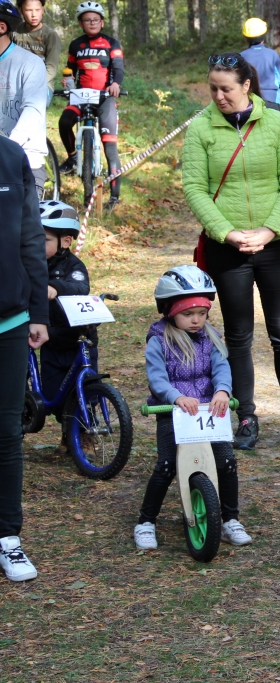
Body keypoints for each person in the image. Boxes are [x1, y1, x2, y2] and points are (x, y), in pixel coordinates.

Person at [182, 53, 280, 453]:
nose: (219, 96)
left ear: (247, 86)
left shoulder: (275, 122)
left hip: (274, 246)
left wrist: (269, 229)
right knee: (238, 337)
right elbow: (194, 188)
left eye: (226, 88)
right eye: (213, 88)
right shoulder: (201, 129)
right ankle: (245, 418)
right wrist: (225, 233)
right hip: (228, 249)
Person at [135, 266, 253, 550]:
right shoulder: (159, 340)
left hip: (208, 413)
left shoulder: (210, 337)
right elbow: (157, 377)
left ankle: (229, 520)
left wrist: (223, 390)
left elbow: (221, 367)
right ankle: (146, 522)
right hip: (173, 413)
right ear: (169, 310)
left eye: (202, 313)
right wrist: (175, 397)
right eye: (188, 314)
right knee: (166, 466)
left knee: (226, 462)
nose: (196, 320)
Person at [0, 134, 49, 582]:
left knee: (6, 433)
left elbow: (32, 238)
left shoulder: (12, 157)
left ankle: (8, 538)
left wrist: (38, 312)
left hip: (9, 322)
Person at [39, 200, 97, 439]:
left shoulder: (74, 265)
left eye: (44, 240)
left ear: (65, 241)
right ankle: (67, 430)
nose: (36, 245)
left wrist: (56, 287)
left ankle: (84, 435)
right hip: (50, 341)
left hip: (77, 340)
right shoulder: (32, 265)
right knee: (53, 394)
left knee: (86, 390)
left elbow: (81, 287)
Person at [58, 1, 123, 211]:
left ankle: (113, 197)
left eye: (95, 20)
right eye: (87, 20)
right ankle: (73, 159)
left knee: (109, 145)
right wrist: (67, 83)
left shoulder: (112, 43)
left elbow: (118, 69)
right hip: (81, 97)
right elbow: (70, 70)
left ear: (102, 22)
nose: (92, 23)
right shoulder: (76, 45)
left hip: (104, 98)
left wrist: (116, 84)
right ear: (81, 23)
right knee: (64, 121)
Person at [0, 0, 48, 200]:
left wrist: (7, 148)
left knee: (23, 230)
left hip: (25, 162)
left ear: (2, 27)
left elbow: (34, 111)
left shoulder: (30, 64)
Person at [13, 0, 61, 106]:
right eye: (29, 10)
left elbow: (51, 68)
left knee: (33, 106)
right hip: (15, 83)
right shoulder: (15, 32)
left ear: (43, 10)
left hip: (42, 84)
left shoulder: (50, 35)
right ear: (21, 11)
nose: (34, 15)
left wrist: (32, 84)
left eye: (37, 10)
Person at [240, 18, 280, 112]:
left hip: (249, 101)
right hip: (272, 100)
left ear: (246, 37)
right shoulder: (273, 54)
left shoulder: (241, 56)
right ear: (264, 36)